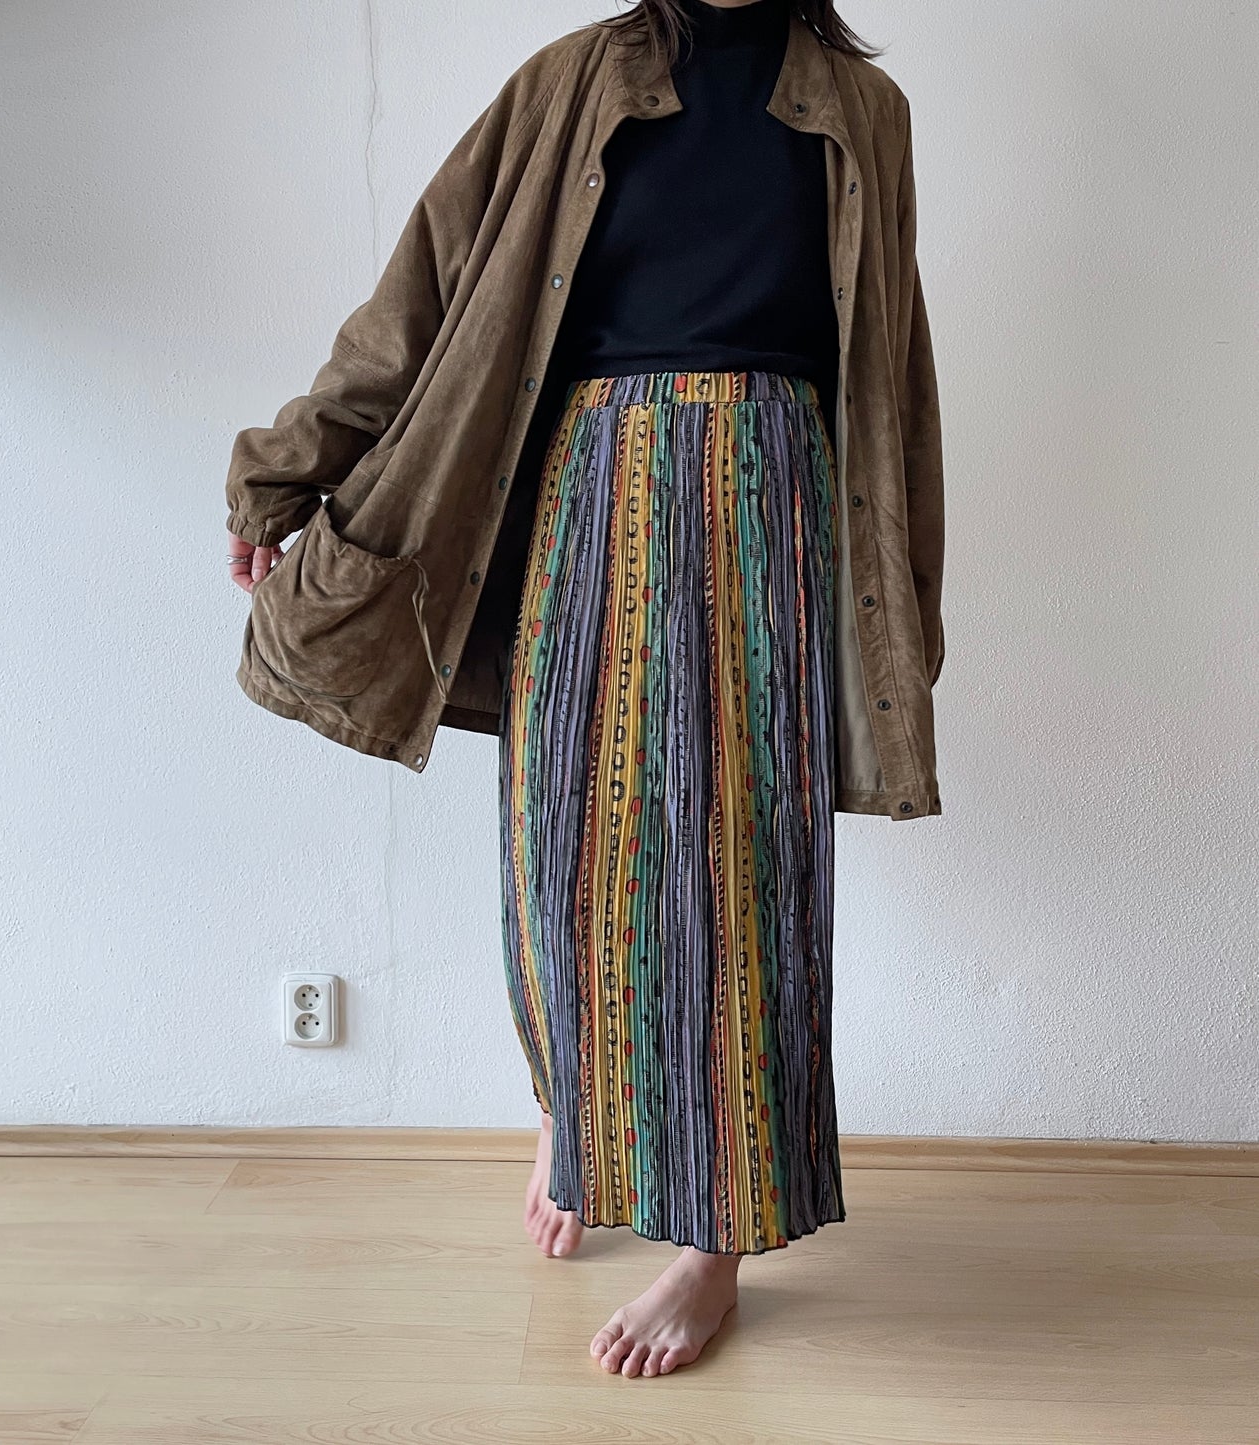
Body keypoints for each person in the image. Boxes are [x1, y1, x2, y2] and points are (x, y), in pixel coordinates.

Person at [226, 0, 944, 1381]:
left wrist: (905, 593)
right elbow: (419, 298)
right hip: (589, 491)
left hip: (774, 503)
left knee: (738, 880)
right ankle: (586, 1115)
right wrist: (286, 470)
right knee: (560, 841)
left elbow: (894, 372)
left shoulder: (865, 114)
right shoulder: (568, 84)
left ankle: (712, 1240)